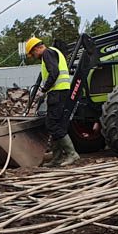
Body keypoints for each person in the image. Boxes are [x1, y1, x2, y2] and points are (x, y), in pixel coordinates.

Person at [24, 35, 80, 168]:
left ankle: (72, 154)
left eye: (33, 53)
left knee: (52, 124)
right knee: (56, 124)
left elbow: (54, 72)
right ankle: (57, 158)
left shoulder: (47, 53)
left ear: (37, 48)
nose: (35, 56)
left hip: (57, 93)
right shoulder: (53, 52)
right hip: (60, 92)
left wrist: (44, 89)